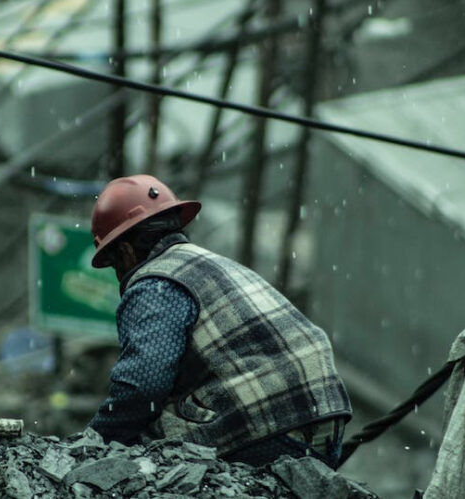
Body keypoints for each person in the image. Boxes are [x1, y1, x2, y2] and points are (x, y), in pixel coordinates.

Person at [87, 174, 352, 468]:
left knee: (143, 448)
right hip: (326, 420)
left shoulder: (153, 282)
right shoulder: (212, 264)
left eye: (114, 266)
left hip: (276, 425)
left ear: (124, 252)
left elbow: (143, 386)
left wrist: (92, 444)